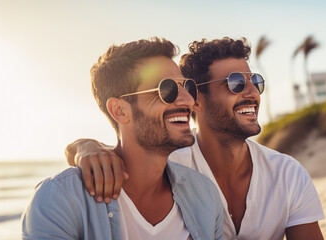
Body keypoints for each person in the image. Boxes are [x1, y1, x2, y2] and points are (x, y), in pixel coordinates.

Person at [66, 37, 325, 240]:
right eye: (235, 83)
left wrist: (83, 147)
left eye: (254, 81)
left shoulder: (287, 173)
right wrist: (84, 147)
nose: (252, 93)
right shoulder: (168, 169)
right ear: (196, 100)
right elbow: (123, 155)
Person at [22, 38, 224, 240]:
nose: (189, 100)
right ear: (119, 111)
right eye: (168, 89)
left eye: (187, 87)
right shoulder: (60, 199)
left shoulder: (205, 196)